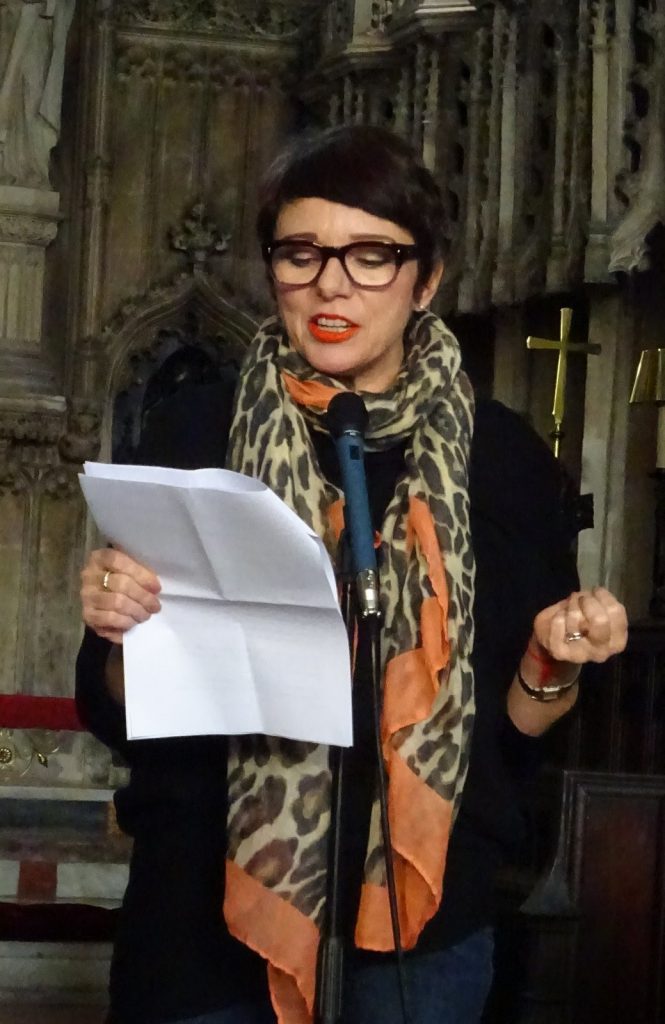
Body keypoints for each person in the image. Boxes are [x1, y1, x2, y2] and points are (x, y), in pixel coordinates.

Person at [77, 125, 628, 1024]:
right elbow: (115, 709)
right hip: (203, 913)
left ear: (426, 278)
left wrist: (552, 660)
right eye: (301, 253)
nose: (330, 284)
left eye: (370, 256)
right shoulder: (193, 432)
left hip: (423, 930)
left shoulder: (503, 462)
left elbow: (516, 738)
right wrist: (119, 624)